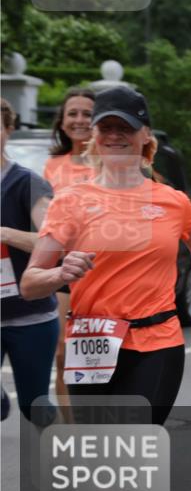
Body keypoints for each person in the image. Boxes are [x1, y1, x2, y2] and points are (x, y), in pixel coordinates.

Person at [21, 85, 191, 491]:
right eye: (105, 127)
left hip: (155, 344)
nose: (114, 135)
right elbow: (31, 282)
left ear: (144, 139)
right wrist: (58, 273)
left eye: (124, 127)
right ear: (93, 137)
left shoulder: (171, 201)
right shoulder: (71, 202)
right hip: (91, 350)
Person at [1, 98, 59, 427]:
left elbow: (52, 240)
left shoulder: (27, 182)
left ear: (8, 130)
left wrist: (6, 234)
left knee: (33, 407)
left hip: (29, 315)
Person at [43, 87, 96, 418]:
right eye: (72, 113)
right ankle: (73, 428)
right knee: (63, 351)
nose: (79, 120)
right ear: (62, 123)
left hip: (109, 269)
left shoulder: (114, 161)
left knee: (109, 351)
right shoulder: (52, 166)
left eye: (87, 114)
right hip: (66, 268)